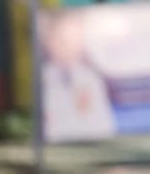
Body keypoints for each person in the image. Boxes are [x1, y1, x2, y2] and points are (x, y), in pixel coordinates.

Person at [41, 9, 115, 142]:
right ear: (49, 41)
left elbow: (104, 125)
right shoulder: (40, 79)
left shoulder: (92, 78)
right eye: (61, 39)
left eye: (73, 40)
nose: (68, 47)